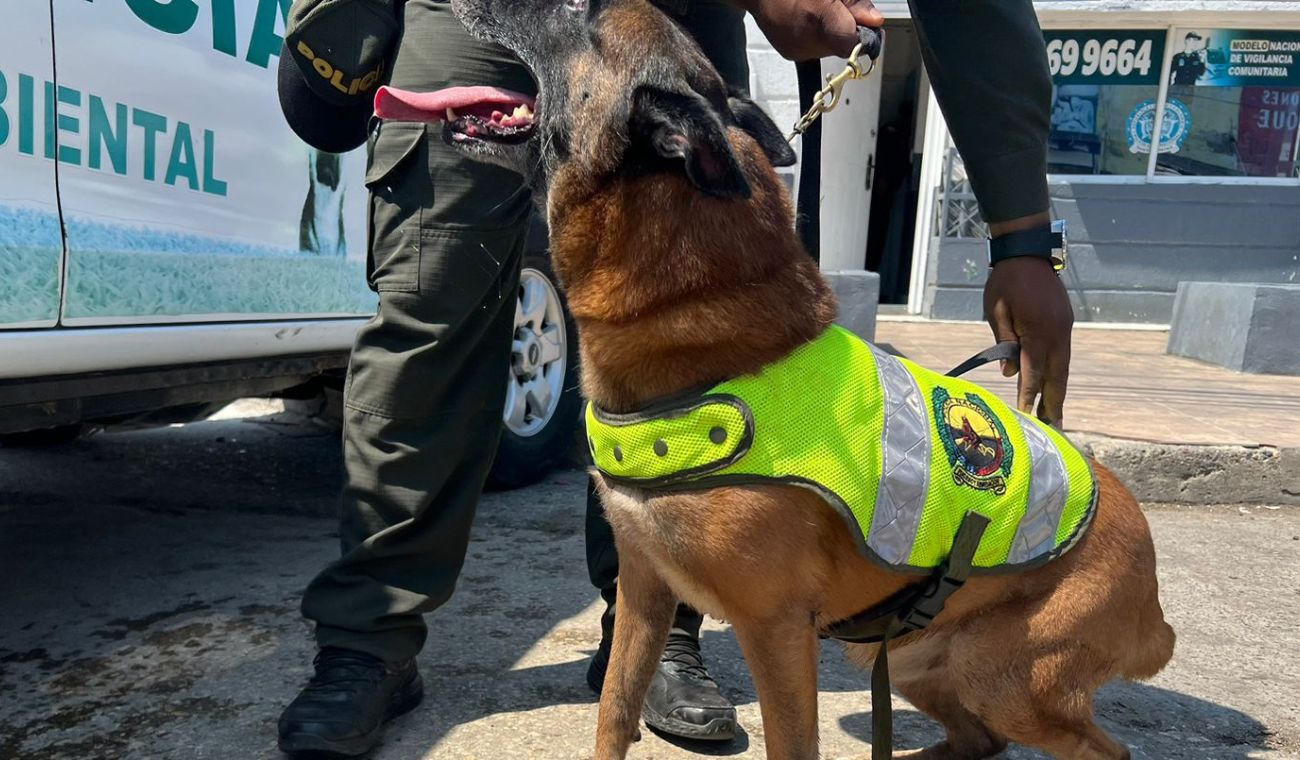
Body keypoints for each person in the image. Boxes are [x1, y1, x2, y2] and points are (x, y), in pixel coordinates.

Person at [274, 0, 1074, 755]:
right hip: (488, 15)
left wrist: (1022, 234)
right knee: (431, 307)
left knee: (691, 344)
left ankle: (668, 627)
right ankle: (368, 635)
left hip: (665, 28)